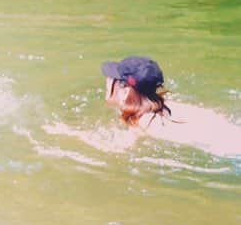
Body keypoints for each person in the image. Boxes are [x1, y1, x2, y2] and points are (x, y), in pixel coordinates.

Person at [101, 55, 240, 157]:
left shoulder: (142, 123)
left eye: (113, 79)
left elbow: (118, 151)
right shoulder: (165, 105)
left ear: (125, 91)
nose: (108, 80)